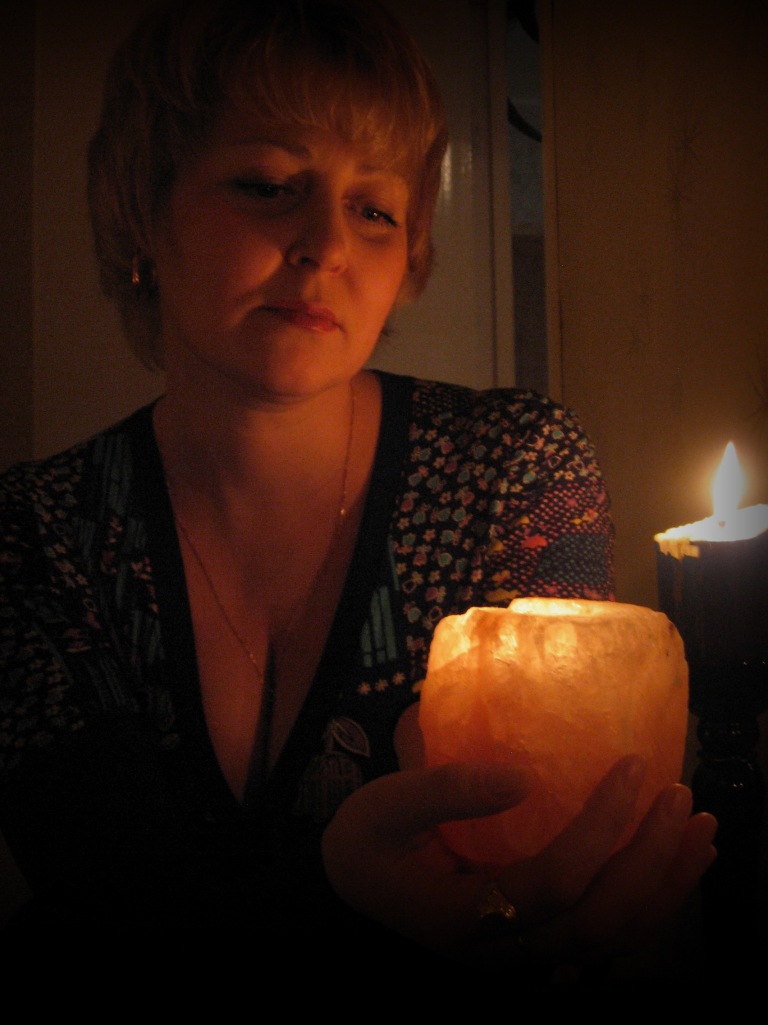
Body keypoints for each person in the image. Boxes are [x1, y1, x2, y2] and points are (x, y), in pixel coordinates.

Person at [0, 0, 716, 985]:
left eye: (375, 209)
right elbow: (115, 912)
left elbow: (546, 853)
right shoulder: (34, 532)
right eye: (268, 185)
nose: (327, 244)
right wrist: (341, 889)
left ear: (409, 255)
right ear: (143, 210)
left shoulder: (510, 468)